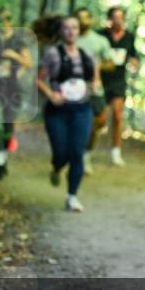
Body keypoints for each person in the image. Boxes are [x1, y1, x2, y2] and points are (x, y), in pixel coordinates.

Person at [36, 15, 100, 212]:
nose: (71, 31)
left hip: (82, 109)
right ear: (61, 32)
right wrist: (51, 94)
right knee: (61, 152)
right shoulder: (52, 54)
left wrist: (94, 87)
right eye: (67, 28)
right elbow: (38, 80)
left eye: (75, 28)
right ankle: (56, 168)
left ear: (79, 31)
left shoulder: (88, 55)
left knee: (77, 153)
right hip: (57, 111)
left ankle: (72, 196)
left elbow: (96, 80)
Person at [0, 7, 33, 180]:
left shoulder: (18, 41)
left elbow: (28, 63)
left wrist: (14, 56)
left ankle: (1, 160)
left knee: (7, 125)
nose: (3, 23)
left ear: (11, 21)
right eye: (0, 19)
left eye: (7, 19)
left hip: (12, 88)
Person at [74, 7, 114, 172]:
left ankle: (86, 154)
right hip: (72, 89)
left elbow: (111, 63)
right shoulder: (69, 40)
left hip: (94, 88)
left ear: (90, 20)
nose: (83, 21)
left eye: (85, 18)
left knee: (99, 121)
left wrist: (98, 66)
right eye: (79, 18)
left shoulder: (100, 41)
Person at [98, 6, 139, 166]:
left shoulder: (129, 37)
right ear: (110, 19)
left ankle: (116, 152)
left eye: (120, 17)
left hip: (118, 82)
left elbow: (134, 56)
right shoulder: (101, 36)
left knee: (117, 115)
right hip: (101, 81)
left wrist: (135, 63)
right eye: (115, 17)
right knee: (100, 119)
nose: (118, 20)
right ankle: (87, 148)